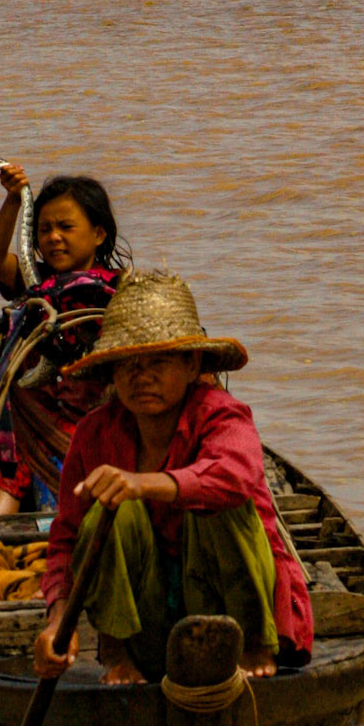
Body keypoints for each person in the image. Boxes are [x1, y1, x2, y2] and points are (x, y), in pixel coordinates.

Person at [32, 270, 313, 686]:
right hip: (148, 620)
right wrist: (58, 620)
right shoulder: (94, 433)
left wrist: (143, 483)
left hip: (227, 614)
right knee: (110, 511)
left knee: (222, 505)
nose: (141, 376)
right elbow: (67, 538)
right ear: (111, 373)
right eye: (127, 364)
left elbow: (235, 476)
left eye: (158, 361)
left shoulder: (221, 414)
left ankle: (253, 643)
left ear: (191, 363)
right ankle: (117, 651)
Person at [0, 165, 127, 517]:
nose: (54, 237)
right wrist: (14, 200)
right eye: (44, 230)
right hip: (32, 417)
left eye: (66, 227)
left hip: (92, 418)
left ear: (98, 234)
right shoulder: (35, 281)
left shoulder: (120, 288)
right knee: (8, 472)